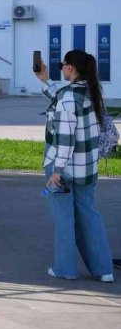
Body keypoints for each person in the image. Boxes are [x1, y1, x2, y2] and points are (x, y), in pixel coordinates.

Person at [34, 50, 113, 282]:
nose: (61, 68)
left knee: (64, 219)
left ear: (70, 68)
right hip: (88, 168)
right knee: (90, 215)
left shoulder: (69, 98)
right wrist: (44, 79)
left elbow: (65, 139)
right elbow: (59, 95)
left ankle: (65, 269)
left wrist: (56, 172)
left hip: (64, 170)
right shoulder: (92, 92)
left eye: (62, 65)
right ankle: (103, 269)